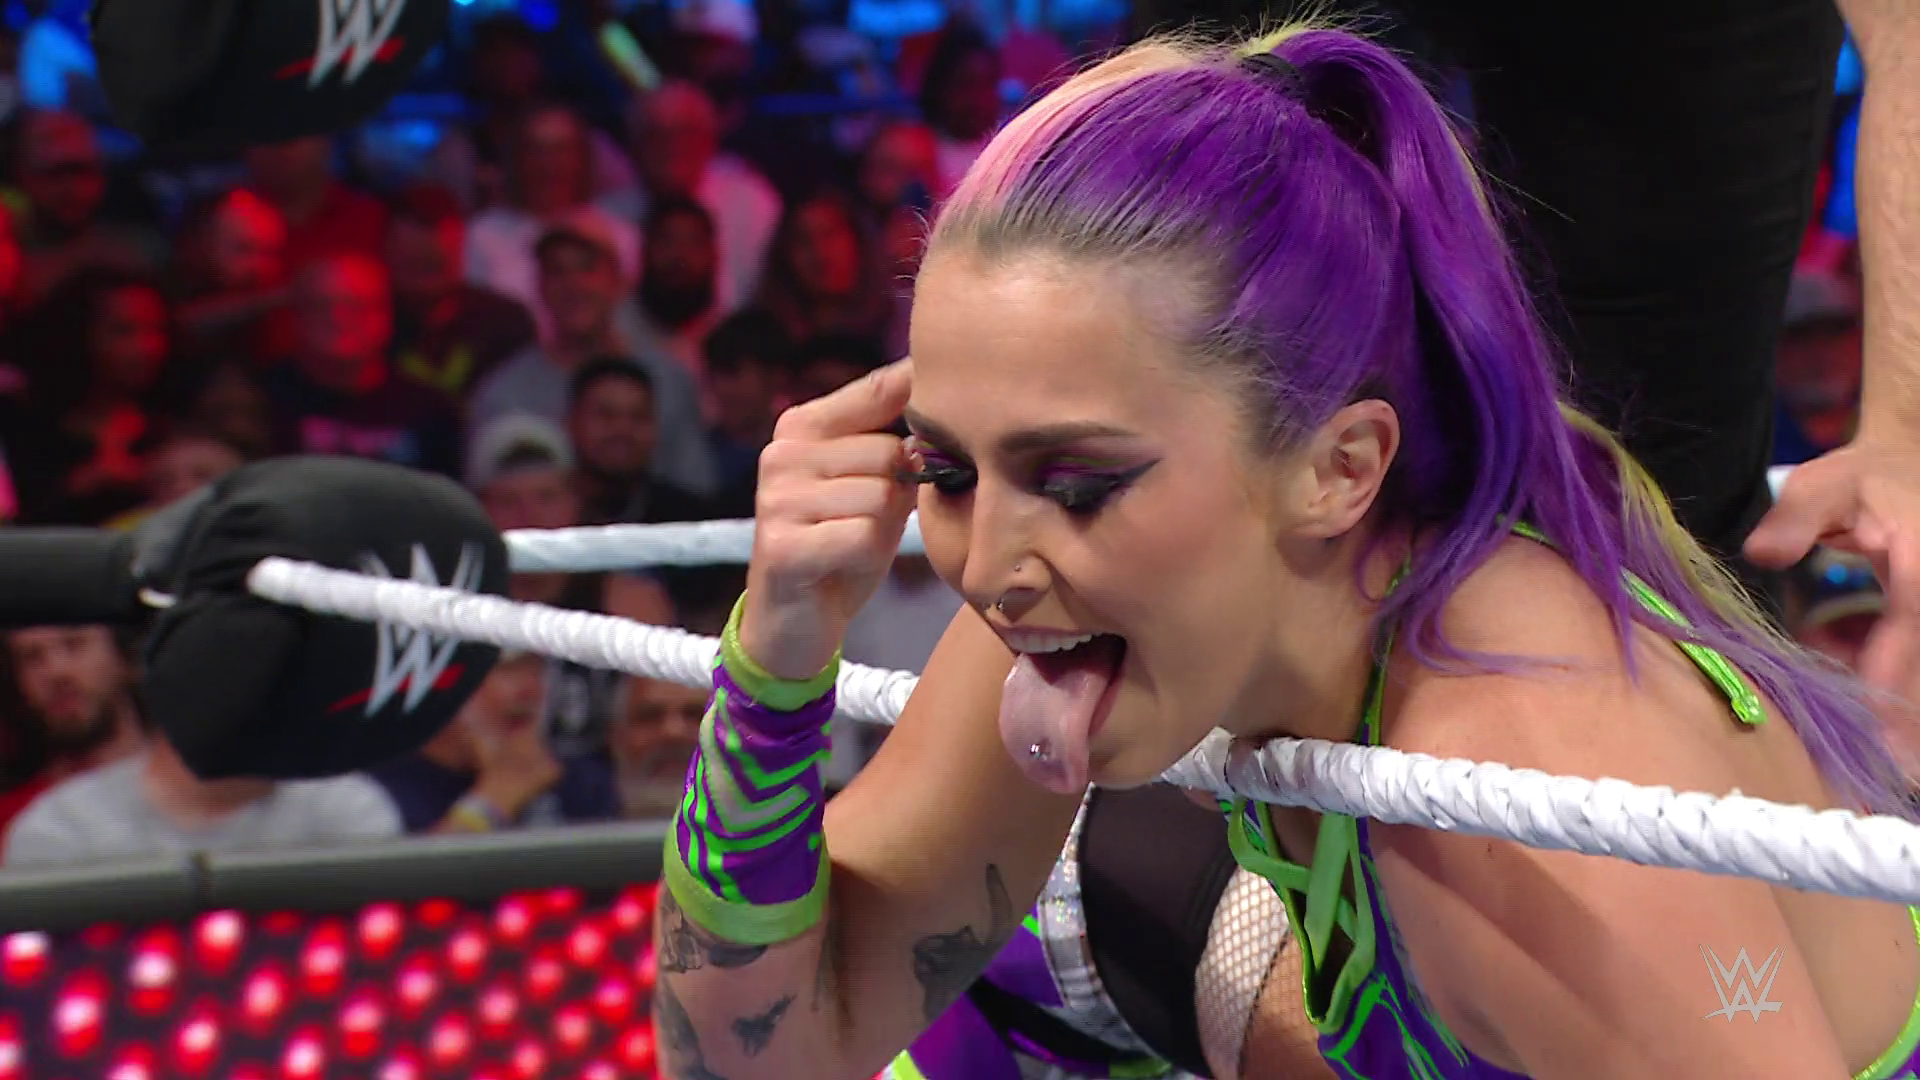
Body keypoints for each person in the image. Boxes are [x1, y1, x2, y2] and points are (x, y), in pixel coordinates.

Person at [654, 28, 1920, 1080]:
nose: (985, 566)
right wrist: (777, 658)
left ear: (1340, 468)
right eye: (947, 472)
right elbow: (759, 1057)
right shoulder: (1080, 597)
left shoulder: (1511, 779)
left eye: (1078, 480)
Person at [369, 649, 620, 833]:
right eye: (505, 669)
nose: (531, 690)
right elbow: (411, 884)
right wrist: (494, 799)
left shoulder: (583, 783)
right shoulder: (374, 793)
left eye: (538, 668)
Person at [263, 254, 463, 478]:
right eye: (322, 305)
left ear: (387, 316)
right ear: (296, 316)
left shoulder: (432, 411)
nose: (339, 318)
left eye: (357, 306)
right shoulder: (260, 400)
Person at [0, 625, 146, 838]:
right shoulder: (12, 824)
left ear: (123, 657)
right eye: (32, 656)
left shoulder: (190, 786)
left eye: (74, 644)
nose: (56, 671)